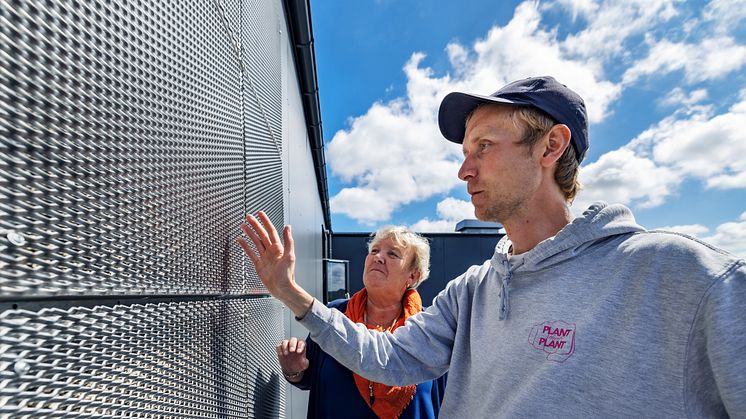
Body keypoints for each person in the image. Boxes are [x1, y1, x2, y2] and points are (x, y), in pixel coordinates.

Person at [239, 76, 746, 417]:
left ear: (551, 147)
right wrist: (290, 294)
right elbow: (387, 358)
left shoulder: (684, 275)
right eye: (464, 153)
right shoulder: (474, 291)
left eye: (484, 147)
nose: (464, 170)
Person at [273, 226, 446, 419]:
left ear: (413, 276)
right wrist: (293, 370)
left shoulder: (427, 327)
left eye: (392, 254)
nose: (378, 257)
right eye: (374, 250)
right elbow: (308, 378)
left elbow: (445, 400)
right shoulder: (336, 313)